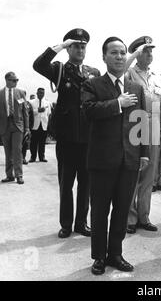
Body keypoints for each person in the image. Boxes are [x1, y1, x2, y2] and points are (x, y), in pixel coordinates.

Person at [81, 36, 149, 275]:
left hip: (129, 160)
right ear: (104, 57)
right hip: (102, 160)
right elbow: (88, 112)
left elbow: (142, 123)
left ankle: (115, 253)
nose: (120, 57)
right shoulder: (93, 85)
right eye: (114, 53)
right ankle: (99, 256)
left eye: (122, 53)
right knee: (100, 210)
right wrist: (117, 103)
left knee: (122, 210)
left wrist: (144, 153)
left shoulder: (136, 88)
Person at [33, 28, 101, 238]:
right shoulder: (59, 69)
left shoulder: (94, 72)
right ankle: (66, 224)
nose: (80, 50)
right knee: (66, 183)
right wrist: (61, 46)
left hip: (88, 136)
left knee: (86, 184)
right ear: (69, 48)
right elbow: (38, 65)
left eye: (83, 46)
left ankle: (81, 223)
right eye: (76, 46)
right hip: (66, 136)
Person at [125, 36, 161, 234]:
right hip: (136, 126)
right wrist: (133, 54)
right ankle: (129, 217)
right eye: (145, 51)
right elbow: (120, 71)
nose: (150, 54)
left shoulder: (157, 76)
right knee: (134, 173)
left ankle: (143, 216)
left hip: (155, 126)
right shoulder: (129, 72)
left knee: (149, 175)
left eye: (151, 51)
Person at [0, 72, 30, 185]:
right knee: (8, 152)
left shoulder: (20, 93)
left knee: (17, 150)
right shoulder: (0, 94)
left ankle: (19, 175)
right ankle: (9, 175)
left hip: (17, 126)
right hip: (4, 126)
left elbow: (25, 112)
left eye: (17, 80)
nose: (16, 82)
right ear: (7, 80)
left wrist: (27, 127)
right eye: (13, 80)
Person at [29, 88, 51, 163]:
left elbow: (49, 114)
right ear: (37, 93)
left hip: (44, 124)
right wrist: (37, 111)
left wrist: (48, 125)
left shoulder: (47, 102)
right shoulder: (31, 102)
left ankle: (42, 157)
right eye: (40, 93)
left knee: (42, 142)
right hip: (35, 125)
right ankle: (33, 157)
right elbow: (29, 113)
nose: (41, 94)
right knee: (33, 142)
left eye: (42, 93)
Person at [22, 91, 34, 165]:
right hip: (16, 127)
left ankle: (23, 158)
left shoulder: (28, 104)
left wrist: (30, 127)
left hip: (26, 127)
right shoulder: (16, 103)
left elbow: (31, 117)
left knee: (25, 143)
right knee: (15, 144)